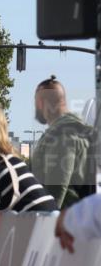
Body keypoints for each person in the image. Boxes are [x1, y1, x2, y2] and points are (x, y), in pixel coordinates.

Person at [31, 76, 96, 208]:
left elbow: (56, 191)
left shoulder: (62, 135)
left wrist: (47, 215)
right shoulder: (77, 130)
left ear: (41, 103)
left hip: (64, 216)